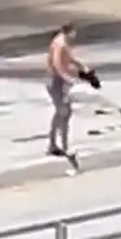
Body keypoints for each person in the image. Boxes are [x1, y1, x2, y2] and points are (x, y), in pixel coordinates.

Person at [46, 23, 85, 158]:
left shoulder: (62, 42)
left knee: (62, 112)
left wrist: (78, 64)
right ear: (69, 32)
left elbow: (67, 59)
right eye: (74, 33)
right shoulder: (60, 43)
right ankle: (63, 146)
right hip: (56, 82)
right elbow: (57, 64)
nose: (75, 36)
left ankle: (55, 144)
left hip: (58, 81)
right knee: (64, 111)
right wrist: (67, 78)